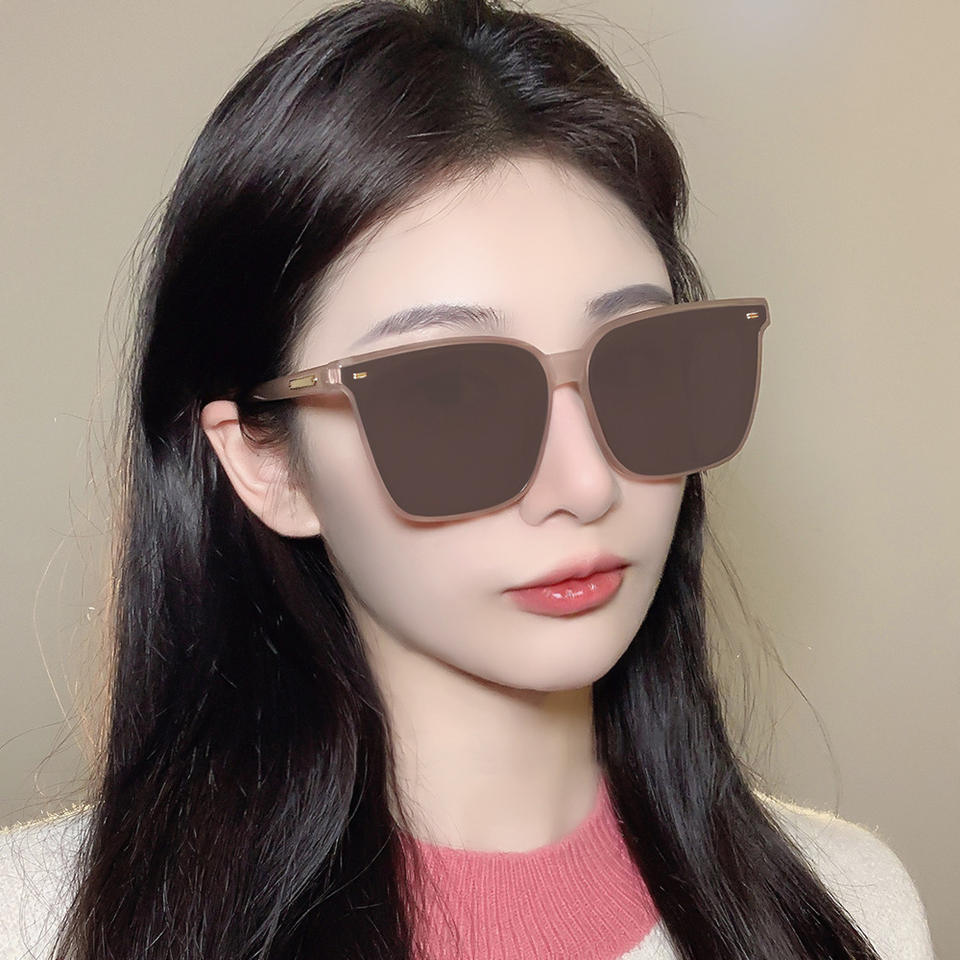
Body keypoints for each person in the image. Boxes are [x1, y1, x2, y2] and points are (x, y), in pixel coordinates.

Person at [0, 0, 937, 958]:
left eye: (641, 367)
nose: (586, 483)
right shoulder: (39, 925)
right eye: (449, 395)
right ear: (264, 461)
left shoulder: (851, 906)